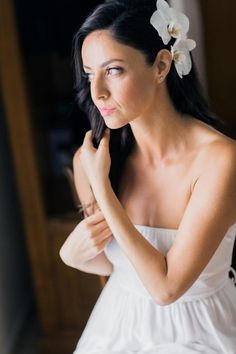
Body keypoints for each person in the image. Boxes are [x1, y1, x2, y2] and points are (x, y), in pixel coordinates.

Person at [59, 0, 236, 352]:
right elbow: (119, 267)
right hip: (118, 325)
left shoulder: (220, 161)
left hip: (201, 333)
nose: (97, 93)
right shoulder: (92, 159)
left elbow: (165, 288)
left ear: (160, 65)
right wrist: (75, 257)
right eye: (90, 73)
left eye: (113, 70)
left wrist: (104, 192)